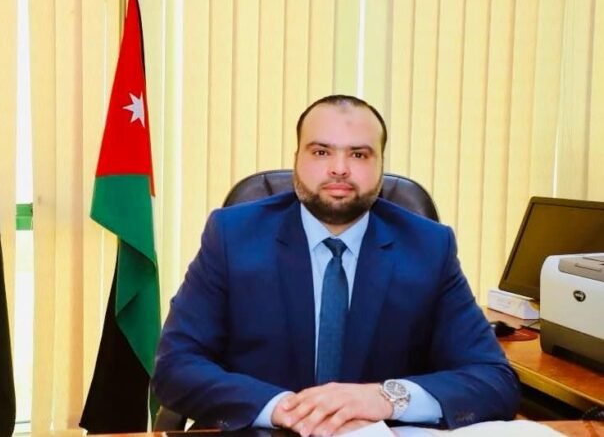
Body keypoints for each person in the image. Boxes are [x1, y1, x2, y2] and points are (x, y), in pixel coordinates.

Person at [151, 95, 520, 435]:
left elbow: (493, 379)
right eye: (321, 152)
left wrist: (386, 397)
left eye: (359, 154)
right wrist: (284, 408)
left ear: (380, 164)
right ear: (297, 158)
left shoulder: (429, 247)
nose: (339, 169)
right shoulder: (232, 236)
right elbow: (176, 367)